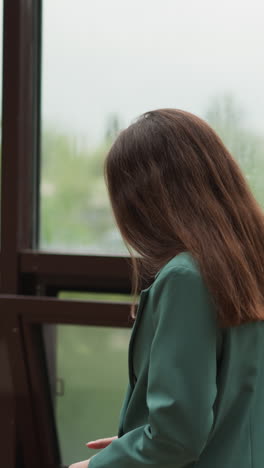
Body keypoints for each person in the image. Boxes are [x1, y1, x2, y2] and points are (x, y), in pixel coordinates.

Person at [69, 108, 264, 468]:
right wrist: (137, 440)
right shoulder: (249, 262)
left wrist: (99, 466)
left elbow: (178, 438)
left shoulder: (186, 277)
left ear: (142, 199)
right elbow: (240, 407)